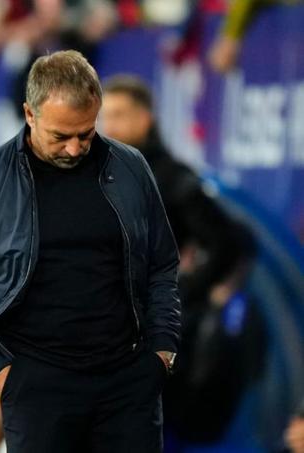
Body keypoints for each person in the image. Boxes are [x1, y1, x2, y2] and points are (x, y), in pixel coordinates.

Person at [0, 50, 181, 452]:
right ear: (30, 114)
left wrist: (162, 351)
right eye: (61, 137)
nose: (75, 148)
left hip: (128, 384)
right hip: (35, 389)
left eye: (86, 133)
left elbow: (162, 265)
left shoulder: (131, 168)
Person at [101, 75, 264, 442]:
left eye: (120, 115)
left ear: (145, 119)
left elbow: (227, 242)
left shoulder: (171, 178)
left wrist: (181, 293)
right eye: (105, 117)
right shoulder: (104, 175)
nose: (110, 126)